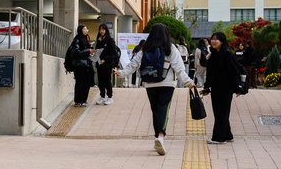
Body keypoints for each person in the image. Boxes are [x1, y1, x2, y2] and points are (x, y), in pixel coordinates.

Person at [115, 24, 194, 156]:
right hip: (167, 83)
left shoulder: (146, 48)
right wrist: (188, 82)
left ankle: (157, 136)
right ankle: (160, 136)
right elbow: (179, 67)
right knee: (164, 109)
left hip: (150, 83)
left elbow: (134, 64)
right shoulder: (170, 48)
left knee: (156, 110)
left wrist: (121, 73)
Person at [202, 32, 244, 144]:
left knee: (222, 112)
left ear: (222, 41)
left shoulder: (227, 54)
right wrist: (206, 87)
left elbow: (234, 72)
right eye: (212, 39)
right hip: (216, 89)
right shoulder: (213, 55)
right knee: (220, 112)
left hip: (226, 89)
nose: (214, 41)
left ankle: (219, 138)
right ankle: (228, 135)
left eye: (217, 39)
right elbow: (210, 74)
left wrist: (238, 88)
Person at [70, 24, 95, 106]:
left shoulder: (86, 39)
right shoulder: (77, 39)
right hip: (79, 65)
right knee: (80, 82)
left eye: (87, 28)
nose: (86, 30)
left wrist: (89, 48)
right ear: (81, 30)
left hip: (86, 64)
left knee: (87, 83)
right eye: (85, 29)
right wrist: (88, 51)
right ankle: (78, 101)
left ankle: (83, 100)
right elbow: (76, 52)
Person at [94, 23, 117, 105]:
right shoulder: (99, 40)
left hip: (107, 65)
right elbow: (97, 52)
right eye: (100, 29)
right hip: (99, 64)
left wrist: (105, 59)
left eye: (103, 29)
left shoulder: (110, 40)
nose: (101, 31)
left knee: (107, 81)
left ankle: (110, 97)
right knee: (100, 81)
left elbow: (113, 53)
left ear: (106, 30)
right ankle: (102, 96)